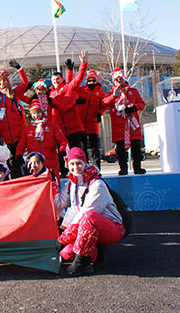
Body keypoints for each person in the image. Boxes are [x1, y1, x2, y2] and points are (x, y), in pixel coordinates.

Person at [54, 147, 125, 276]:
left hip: (112, 227)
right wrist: (50, 185)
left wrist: (63, 238)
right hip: (85, 228)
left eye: (79, 163)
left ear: (85, 163)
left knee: (88, 216)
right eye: (72, 164)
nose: (76, 167)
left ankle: (82, 264)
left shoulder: (97, 184)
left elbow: (87, 213)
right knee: (66, 253)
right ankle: (95, 252)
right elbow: (58, 204)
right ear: (67, 164)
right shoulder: (71, 184)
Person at [102, 68, 146, 175]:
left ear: (124, 78)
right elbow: (104, 104)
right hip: (118, 126)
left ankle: (137, 167)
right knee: (120, 149)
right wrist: (114, 96)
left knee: (136, 147)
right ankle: (123, 168)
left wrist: (133, 108)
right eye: (116, 79)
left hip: (132, 125)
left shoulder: (133, 91)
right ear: (113, 81)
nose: (119, 80)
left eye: (120, 78)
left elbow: (142, 104)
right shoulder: (110, 93)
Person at [15, 101, 68, 182]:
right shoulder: (27, 130)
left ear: (42, 113)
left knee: (53, 183)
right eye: (34, 113)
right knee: (37, 185)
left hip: (50, 160)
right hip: (34, 163)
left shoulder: (52, 126)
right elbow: (21, 145)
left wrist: (62, 150)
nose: (36, 115)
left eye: (38, 113)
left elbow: (62, 141)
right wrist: (19, 155)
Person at [76, 70, 106, 169]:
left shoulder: (100, 94)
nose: (91, 83)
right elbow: (72, 87)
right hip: (81, 124)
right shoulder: (81, 90)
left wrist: (100, 113)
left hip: (93, 125)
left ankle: (97, 167)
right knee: (82, 148)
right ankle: (84, 167)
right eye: (89, 81)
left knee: (95, 148)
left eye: (93, 81)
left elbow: (104, 106)